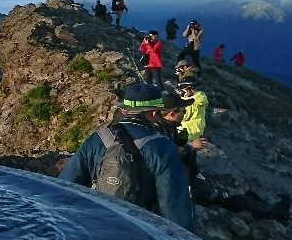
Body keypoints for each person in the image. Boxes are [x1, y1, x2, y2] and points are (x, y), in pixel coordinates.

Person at [59, 82, 195, 231]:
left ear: (124, 111)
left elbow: (65, 187)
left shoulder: (97, 138)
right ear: (154, 113)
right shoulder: (164, 147)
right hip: (138, 234)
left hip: (97, 228)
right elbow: (173, 208)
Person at [155, 97, 289, 221]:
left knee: (230, 194)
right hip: (181, 185)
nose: (185, 113)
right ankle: (274, 213)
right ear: (172, 113)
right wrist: (190, 148)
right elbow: (168, 155)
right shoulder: (160, 131)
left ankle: (270, 208)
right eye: (182, 110)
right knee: (227, 198)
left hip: (187, 180)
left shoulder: (168, 129)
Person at [176, 77, 208, 148]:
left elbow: (184, 117)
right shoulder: (200, 98)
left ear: (189, 88)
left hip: (189, 130)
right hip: (197, 129)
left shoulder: (191, 102)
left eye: (182, 88)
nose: (181, 91)